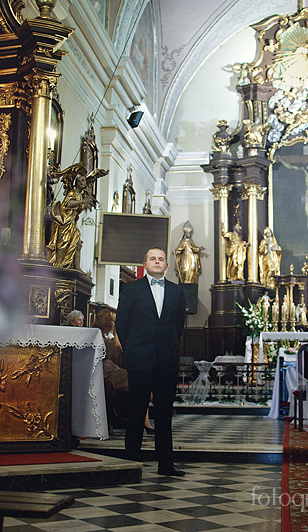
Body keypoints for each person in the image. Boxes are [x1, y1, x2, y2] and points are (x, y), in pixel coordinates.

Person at [115, 248, 186, 476]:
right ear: (144, 264)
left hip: (166, 359)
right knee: (136, 410)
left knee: (165, 413)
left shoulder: (176, 291)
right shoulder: (132, 288)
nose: (157, 262)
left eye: (161, 259)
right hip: (140, 359)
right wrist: (133, 350)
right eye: (153, 259)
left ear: (167, 266)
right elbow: (121, 324)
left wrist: (166, 347)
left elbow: (179, 326)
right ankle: (131, 462)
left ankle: (166, 464)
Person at [94, 309, 154, 434]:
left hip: (113, 368)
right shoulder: (98, 335)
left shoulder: (108, 335)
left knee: (144, 383)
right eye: (113, 320)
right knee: (139, 381)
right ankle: (146, 420)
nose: (114, 323)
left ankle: (146, 420)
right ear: (107, 321)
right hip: (104, 370)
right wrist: (117, 331)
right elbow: (115, 349)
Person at [46, 165, 98, 269]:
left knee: (78, 244)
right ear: (77, 183)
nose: (84, 183)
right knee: (63, 244)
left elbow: (78, 210)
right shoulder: (72, 192)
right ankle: (60, 264)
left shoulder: (80, 195)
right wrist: (83, 201)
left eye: (84, 180)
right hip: (65, 221)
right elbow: (67, 204)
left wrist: (85, 203)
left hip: (72, 222)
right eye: (81, 181)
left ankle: (77, 267)